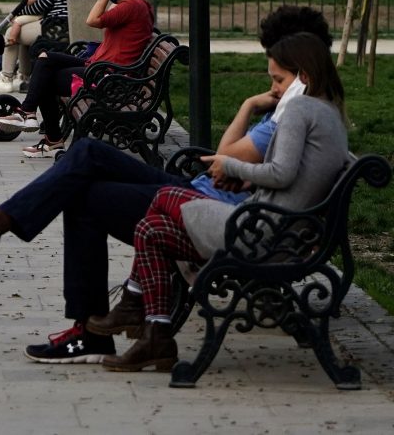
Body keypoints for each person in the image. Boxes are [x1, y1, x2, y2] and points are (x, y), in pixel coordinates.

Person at [0, 5, 335, 363]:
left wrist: (247, 115)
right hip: (204, 193)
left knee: (84, 172)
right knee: (85, 161)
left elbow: (228, 158)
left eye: (278, 76)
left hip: (203, 202)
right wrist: (256, 111)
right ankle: (1, 234)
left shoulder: (296, 114)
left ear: (302, 68)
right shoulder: (305, 111)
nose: (272, 85)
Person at [90, 31, 348, 372]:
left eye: (279, 80)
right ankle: (156, 336)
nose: (274, 90)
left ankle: (134, 303)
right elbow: (294, 175)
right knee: (151, 230)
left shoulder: (301, 108)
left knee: (165, 196)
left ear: (305, 76)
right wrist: (245, 176)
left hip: (262, 234)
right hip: (280, 231)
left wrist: (230, 165)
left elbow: (282, 173)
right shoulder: (329, 113)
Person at [0, 0, 154, 157]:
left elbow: (92, 20)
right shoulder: (137, 5)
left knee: (47, 79)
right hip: (102, 67)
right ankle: (28, 114)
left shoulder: (131, 6)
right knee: (45, 57)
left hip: (109, 76)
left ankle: (45, 132)